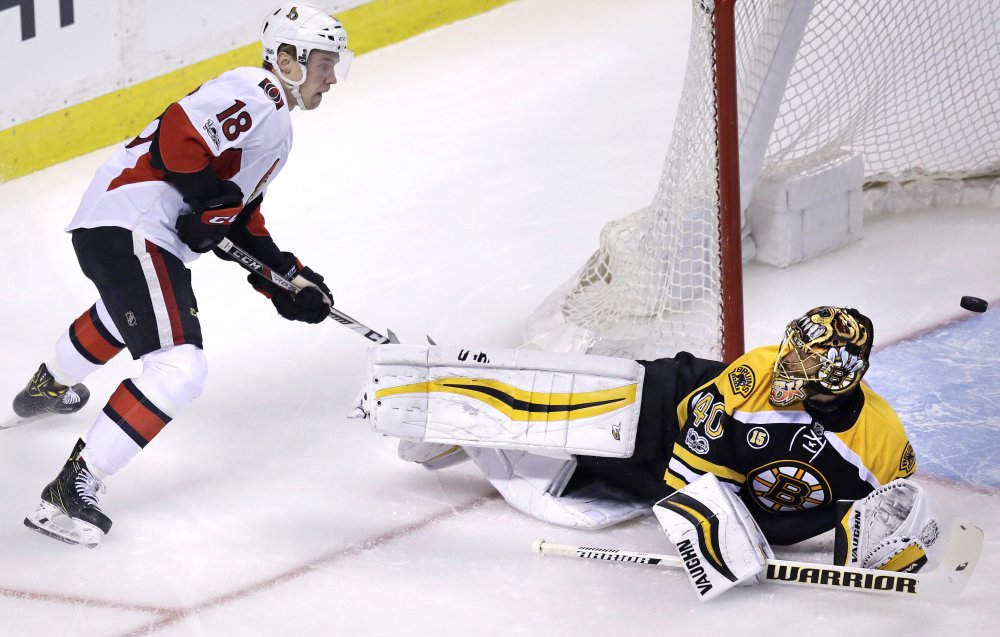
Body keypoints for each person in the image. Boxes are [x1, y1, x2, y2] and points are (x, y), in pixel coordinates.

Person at [3, 2, 352, 548]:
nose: (333, 78)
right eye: (325, 64)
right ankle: (73, 486)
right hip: (134, 225)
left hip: (117, 223)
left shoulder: (275, 129)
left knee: (126, 319)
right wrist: (205, 200)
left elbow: (237, 221)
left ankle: (47, 388)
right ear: (287, 60)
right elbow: (178, 136)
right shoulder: (257, 93)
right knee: (179, 367)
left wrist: (288, 280)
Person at [358, 307, 937, 580]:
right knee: (575, 427)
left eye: (806, 360)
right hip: (664, 412)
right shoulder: (753, 376)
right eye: (792, 347)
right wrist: (722, 543)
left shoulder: (881, 440)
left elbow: (901, 511)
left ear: (837, 376)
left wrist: (897, 546)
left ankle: (463, 423)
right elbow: (687, 481)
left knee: (582, 466)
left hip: (721, 470)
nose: (787, 362)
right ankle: (438, 408)